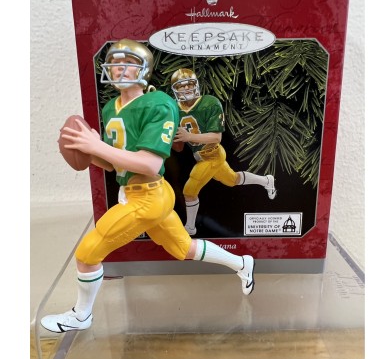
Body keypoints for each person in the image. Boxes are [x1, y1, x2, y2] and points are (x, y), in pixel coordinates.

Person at [40, 40, 256, 333]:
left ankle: (81, 316)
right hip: (141, 193)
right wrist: (89, 152)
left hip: (148, 197)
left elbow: (150, 164)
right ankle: (242, 264)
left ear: (143, 69)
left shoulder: (159, 103)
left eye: (127, 63)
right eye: (115, 62)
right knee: (184, 248)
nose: (118, 68)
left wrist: (96, 146)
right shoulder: (111, 107)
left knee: (87, 253)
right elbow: (116, 164)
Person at [171, 68, 277, 236]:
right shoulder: (174, 108)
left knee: (189, 191)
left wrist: (189, 136)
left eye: (189, 84)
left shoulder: (209, 103)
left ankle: (190, 228)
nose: (186, 88)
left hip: (212, 154)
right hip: (200, 156)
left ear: (196, 84)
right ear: (175, 89)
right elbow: (179, 147)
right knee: (232, 180)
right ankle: (266, 181)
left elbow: (216, 137)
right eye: (181, 86)